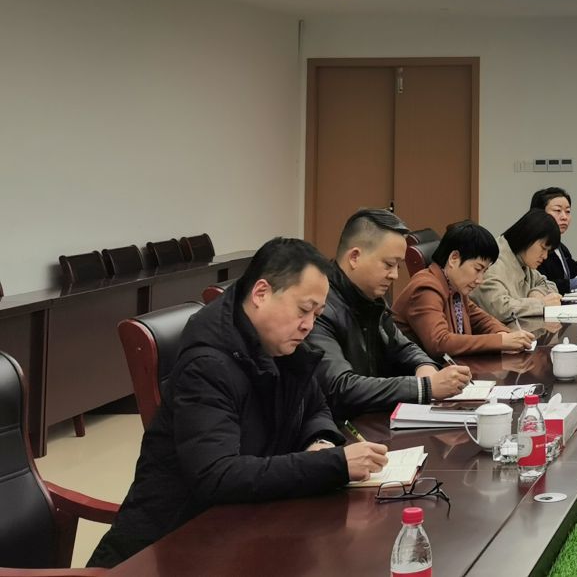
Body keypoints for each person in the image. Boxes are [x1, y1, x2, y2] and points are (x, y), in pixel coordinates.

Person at [88, 238, 389, 567]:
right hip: (167, 549)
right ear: (261, 293)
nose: (308, 325)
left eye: (317, 315)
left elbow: (316, 406)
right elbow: (218, 475)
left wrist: (320, 442)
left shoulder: (281, 344)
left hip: (240, 531)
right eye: (303, 310)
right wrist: (332, 464)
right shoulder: (208, 365)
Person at [307, 208, 471, 419]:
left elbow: (404, 347)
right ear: (355, 257)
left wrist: (425, 366)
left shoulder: (371, 299)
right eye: (389, 264)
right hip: (341, 426)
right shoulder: (319, 309)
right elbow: (340, 387)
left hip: (372, 418)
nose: (394, 275)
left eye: (398, 266)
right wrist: (424, 387)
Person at [392, 219, 535, 356]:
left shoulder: (454, 286)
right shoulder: (426, 288)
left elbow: (480, 320)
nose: (480, 280)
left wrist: (503, 334)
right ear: (454, 258)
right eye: (477, 269)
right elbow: (440, 342)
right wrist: (500, 341)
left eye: (484, 271)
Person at [474, 209, 564, 322]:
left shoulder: (522, 259)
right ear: (529, 237)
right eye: (543, 248)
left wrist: (537, 292)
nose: (545, 256)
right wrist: (541, 304)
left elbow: (547, 284)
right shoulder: (494, 261)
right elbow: (500, 309)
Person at [532, 186, 577, 293]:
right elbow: (542, 285)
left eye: (568, 211)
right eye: (558, 210)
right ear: (539, 213)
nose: (564, 217)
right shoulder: (533, 246)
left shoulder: (559, 246)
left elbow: (576, 268)